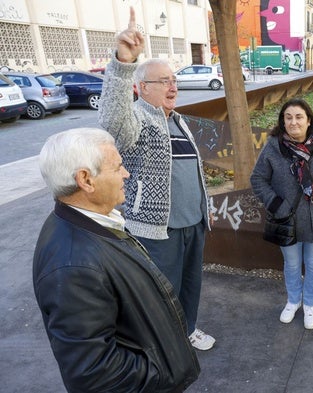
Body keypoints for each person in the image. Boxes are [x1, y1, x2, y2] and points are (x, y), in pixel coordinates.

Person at [33, 128, 200, 393]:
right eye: (118, 166)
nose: (126, 174)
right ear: (86, 180)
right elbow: (96, 375)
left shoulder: (90, 224)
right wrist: (164, 373)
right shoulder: (73, 265)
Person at [98, 7, 215, 350]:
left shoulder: (177, 120)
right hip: (157, 229)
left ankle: (187, 329)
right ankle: (165, 343)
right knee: (161, 290)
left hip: (193, 224)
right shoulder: (135, 119)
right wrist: (123, 62)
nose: (172, 86)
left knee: (191, 285)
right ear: (143, 87)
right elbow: (110, 118)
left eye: (174, 80)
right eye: (164, 81)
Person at [250, 97, 313, 330]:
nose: (293, 122)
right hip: (286, 219)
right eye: (288, 117)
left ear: (309, 120)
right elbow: (258, 179)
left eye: (299, 117)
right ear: (283, 121)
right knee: (291, 264)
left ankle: (310, 304)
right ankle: (293, 300)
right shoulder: (273, 147)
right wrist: (276, 204)